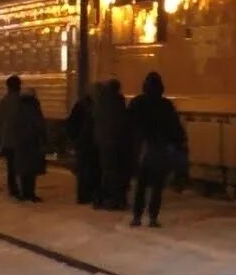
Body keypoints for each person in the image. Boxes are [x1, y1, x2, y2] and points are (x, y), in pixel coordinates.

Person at [126, 72, 187, 227]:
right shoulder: (166, 105)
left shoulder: (137, 103)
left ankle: (137, 216)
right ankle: (153, 217)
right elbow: (175, 128)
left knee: (140, 186)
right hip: (160, 151)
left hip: (143, 150)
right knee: (157, 187)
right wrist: (179, 145)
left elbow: (128, 125)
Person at [93, 79, 129, 210]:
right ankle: (113, 200)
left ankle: (102, 199)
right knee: (115, 171)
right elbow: (122, 122)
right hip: (116, 142)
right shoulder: (118, 101)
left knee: (106, 171)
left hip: (103, 141)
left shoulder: (100, 101)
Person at [65, 84, 100, 205]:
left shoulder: (80, 105)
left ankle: (83, 195)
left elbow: (71, 124)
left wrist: (74, 139)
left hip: (82, 142)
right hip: (90, 143)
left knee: (82, 169)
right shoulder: (94, 106)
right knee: (90, 168)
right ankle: (88, 194)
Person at [13, 88, 47, 202]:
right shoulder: (34, 107)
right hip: (32, 142)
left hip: (21, 142)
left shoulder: (18, 107)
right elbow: (39, 124)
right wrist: (43, 138)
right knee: (31, 170)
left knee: (24, 169)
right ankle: (30, 193)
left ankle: (24, 192)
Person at [0, 75, 23, 199]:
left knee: (11, 166)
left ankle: (13, 188)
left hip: (7, 139)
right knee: (21, 164)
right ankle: (21, 188)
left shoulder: (3, 101)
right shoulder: (21, 102)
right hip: (20, 138)